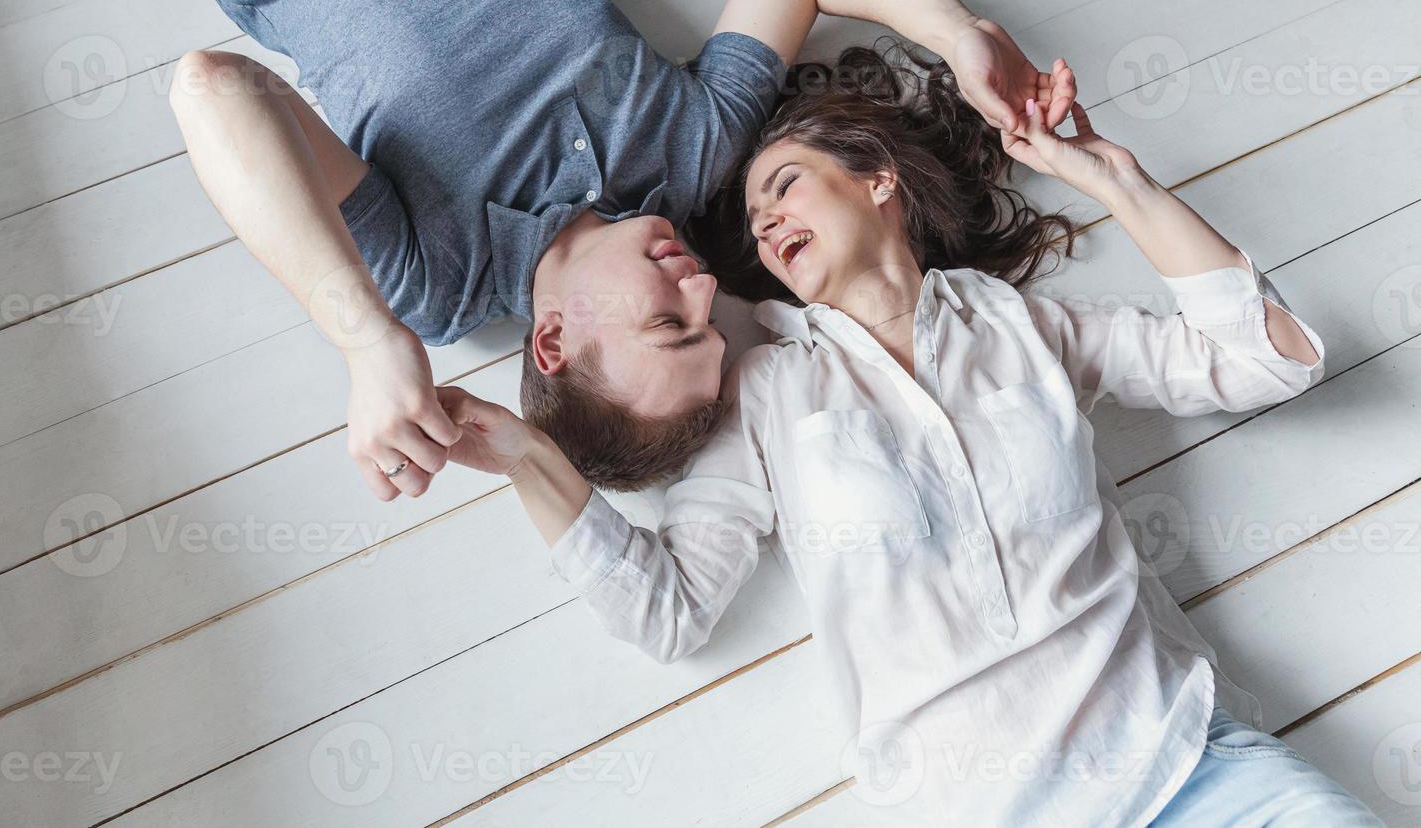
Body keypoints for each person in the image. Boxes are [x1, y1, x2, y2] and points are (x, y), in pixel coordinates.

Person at [433, 46, 1382, 824]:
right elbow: (666, 611)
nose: (765, 225)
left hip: (1192, 770)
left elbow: (1274, 358)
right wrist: (524, 456)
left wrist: (1109, 176)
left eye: (787, 187)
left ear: (878, 182)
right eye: (756, 222)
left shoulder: (1026, 328)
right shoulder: (766, 390)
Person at [119, 0, 1075, 498]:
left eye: (670, 323)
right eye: (710, 316)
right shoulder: (689, 156)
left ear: (549, 342)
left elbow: (215, 91)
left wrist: (366, 343)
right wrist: (955, 36)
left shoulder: (442, 282)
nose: (700, 283)